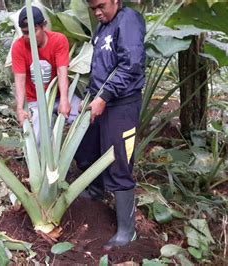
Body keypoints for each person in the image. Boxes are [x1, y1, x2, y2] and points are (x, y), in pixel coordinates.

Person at [74, 0, 146, 250]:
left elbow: (131, 65)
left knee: (118, 160)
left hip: (122, 104)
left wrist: (104, 96)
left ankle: (127, 229)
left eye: (101, 6)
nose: (97, 12)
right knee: (87, 149)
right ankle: (96, 191)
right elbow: (100, 67)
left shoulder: (128, 21)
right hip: (99, 101)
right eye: (93, 8)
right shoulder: (103, 26)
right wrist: (92, 96)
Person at [11, 6, 80, 139]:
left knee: (80, 115)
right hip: (34, 100)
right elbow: (19, 80)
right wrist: (20, 108)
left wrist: (64, 100)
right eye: (25, 33)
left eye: (34, 31)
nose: (29, 37)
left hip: (58, 95)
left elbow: (62, 72)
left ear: (44, 26)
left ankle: (80, 158)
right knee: (37, 138)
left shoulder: (58, 40)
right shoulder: (18, 47)